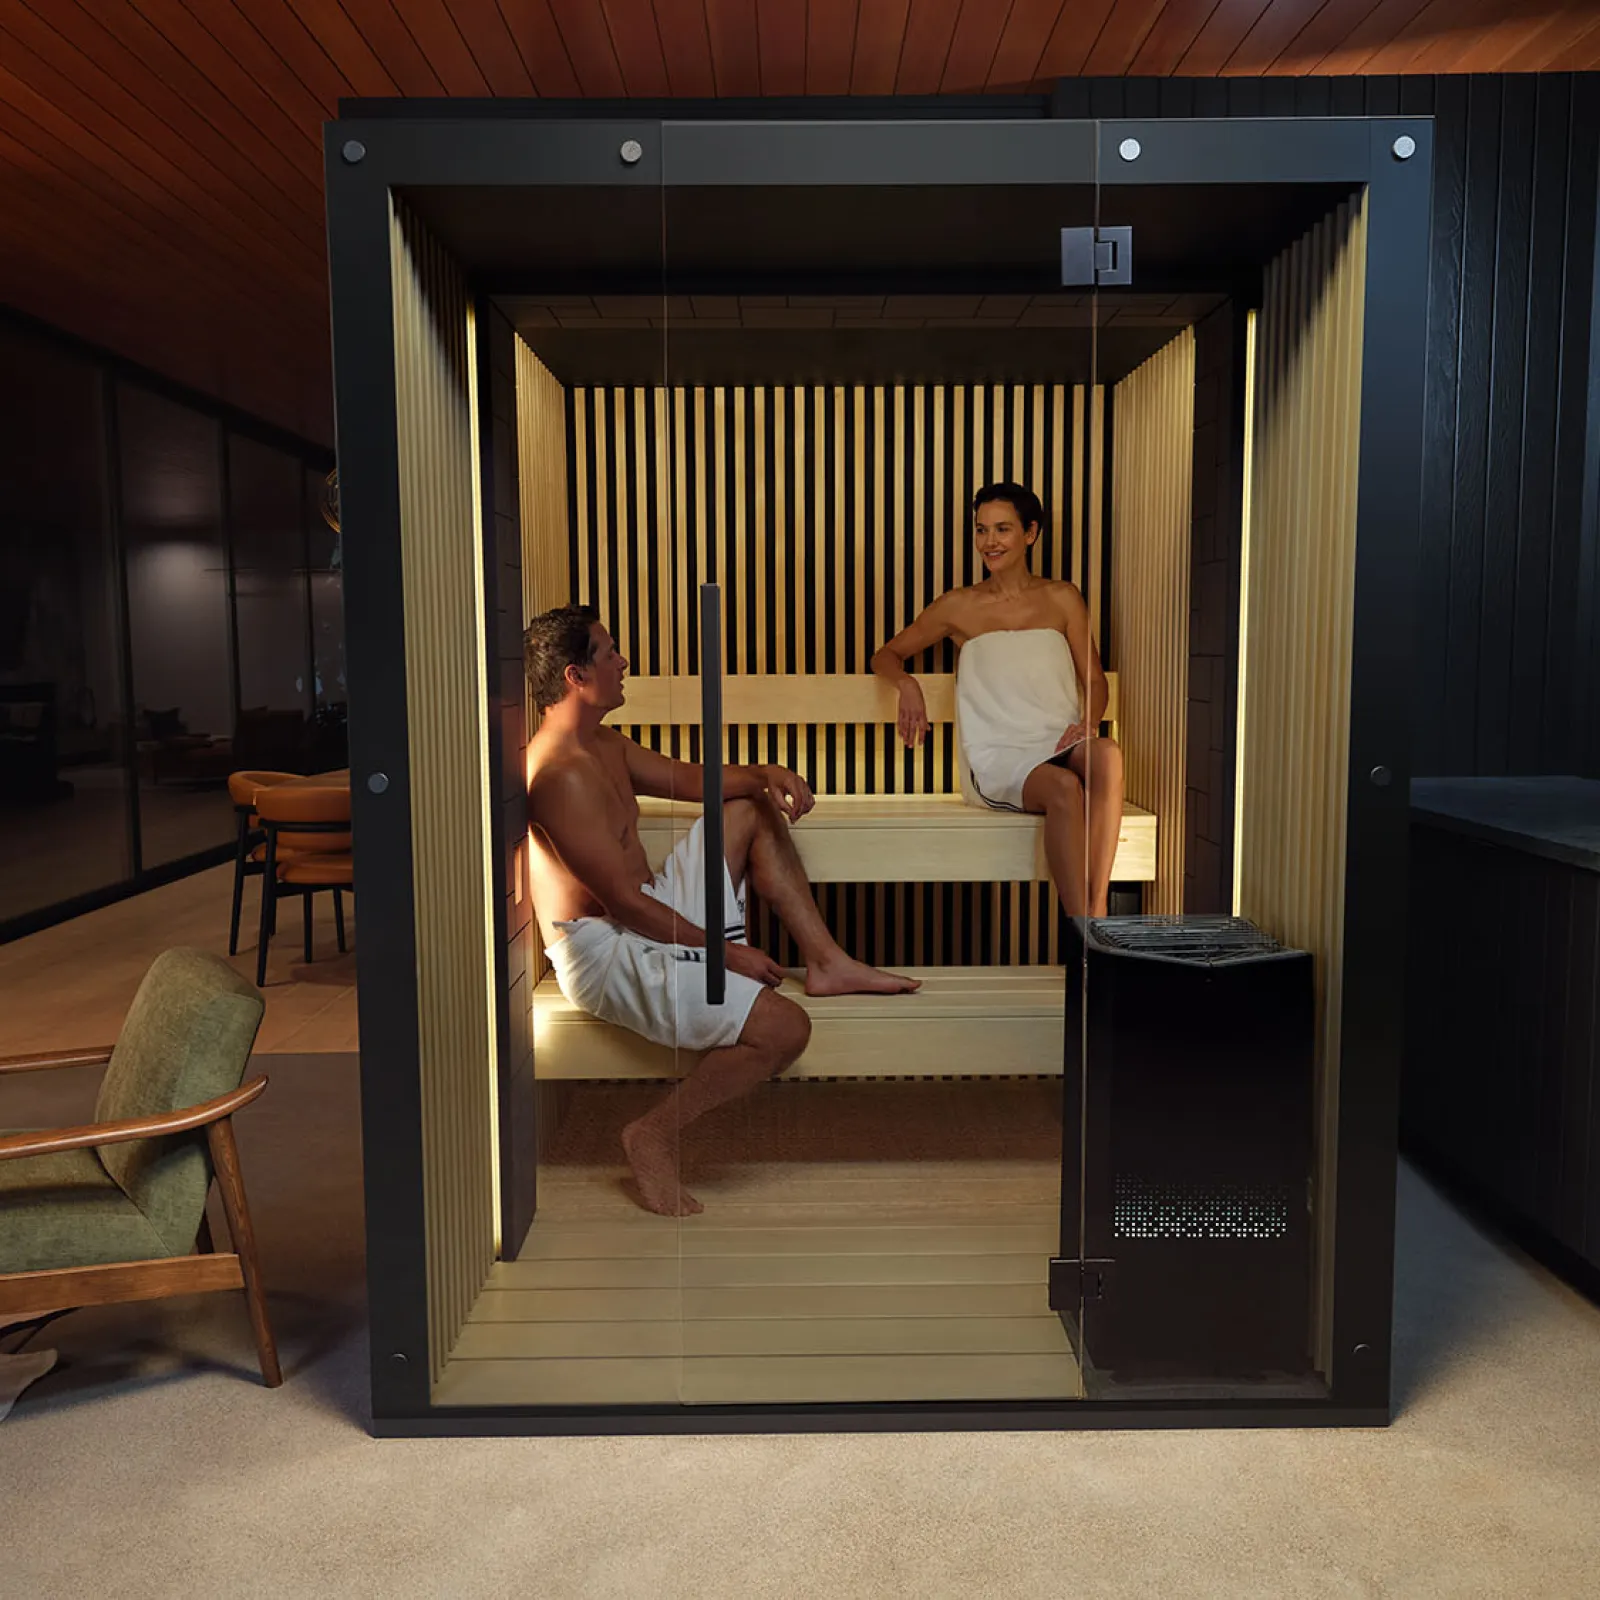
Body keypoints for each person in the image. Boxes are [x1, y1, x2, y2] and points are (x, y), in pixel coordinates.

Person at [524, 603, 919, 1217]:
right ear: (576, 676)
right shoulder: (557, 777)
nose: (623, 660)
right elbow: (623, 907)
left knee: (747, 807)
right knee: (785, 1028)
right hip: (610, 951)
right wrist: (729, 951)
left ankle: (827, 961)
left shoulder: (601, 742)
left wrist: (763, 772)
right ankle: (651, 1135)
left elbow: (692, 779)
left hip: (650, 909)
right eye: (608, 652)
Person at [869, 482, 1125, 919]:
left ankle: (1095, 915)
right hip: (999, 756)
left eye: (1002, 529)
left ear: (1030, 534)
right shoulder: (958, 606)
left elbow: (1094, 679)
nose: (990, 542)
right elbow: (885, 655)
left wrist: (1088, 723)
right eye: (982, 530)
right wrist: (907, 686)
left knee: (1107, 756)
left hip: (1059, 738)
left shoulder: (1062, 597)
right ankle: (1088, 931)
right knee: (1065, 788)